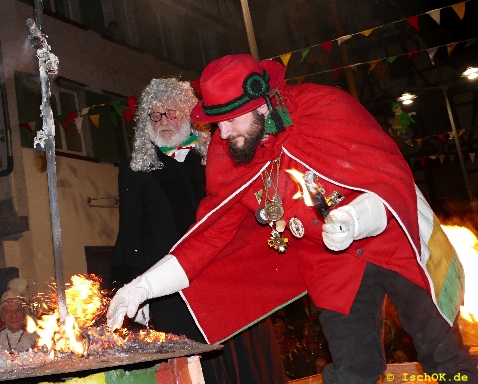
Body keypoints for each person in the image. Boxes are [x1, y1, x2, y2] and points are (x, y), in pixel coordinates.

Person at [108, 54, 478, 383]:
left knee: (445, 360)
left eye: (231, 120)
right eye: (217, 123)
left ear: (261, 105)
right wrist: (143, 286)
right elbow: (208, 235)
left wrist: (353, 219)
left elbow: (390, 181)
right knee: (352, 373)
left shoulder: (325, 108)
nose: (223, 134)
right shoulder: (228, 152)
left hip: (395, 241)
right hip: (330, 263)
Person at [110, 78, 286, 384]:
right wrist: (133, 285)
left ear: (189, 116)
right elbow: (130, 233)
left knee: (246, 362)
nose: (163, 122)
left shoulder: (219, 156)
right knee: (197, 368)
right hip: (171, 292)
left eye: (171, 113)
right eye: (155, 115)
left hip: (229, 278)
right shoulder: (134, 169)